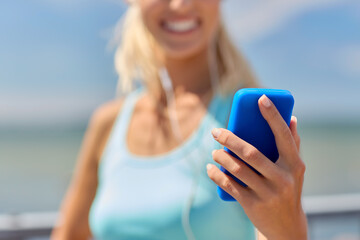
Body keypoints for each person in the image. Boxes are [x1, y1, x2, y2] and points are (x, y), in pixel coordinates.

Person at [51, 0, 308, 239]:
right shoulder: (109, 122)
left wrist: (288, 224)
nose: (180, 4)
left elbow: (274, 229)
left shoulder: (246, 123)